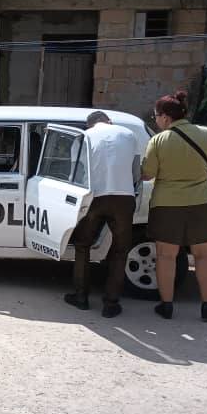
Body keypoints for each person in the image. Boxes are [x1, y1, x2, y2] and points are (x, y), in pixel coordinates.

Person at [141, 91, 207, 323]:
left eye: (156, 116)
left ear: (166, 118)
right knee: (205, 256)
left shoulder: (158, 140)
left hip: (167, 205)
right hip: (202, 203)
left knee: (166, 256)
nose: (155, 121)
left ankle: (166, 306)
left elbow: (148, 175)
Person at [64, 111, 139, 319]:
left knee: (82, 245)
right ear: (109, 121)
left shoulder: (83, 137)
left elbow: (75, 172)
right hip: (124, 199)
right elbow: (136, 171)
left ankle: (81, 297)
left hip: (94, 197)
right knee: (120, 250)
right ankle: (111, 303)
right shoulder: (128, 134)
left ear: (90, 125)